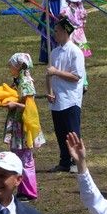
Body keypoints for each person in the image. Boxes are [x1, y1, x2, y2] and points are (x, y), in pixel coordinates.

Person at [4, 52, 44, 202]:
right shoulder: (19, 80)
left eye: (11, 66)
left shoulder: (26, 82)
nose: (10, 68)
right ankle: (22, 190)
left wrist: (14, 104)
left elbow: (29, 104)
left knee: (25, 158)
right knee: (19, 156)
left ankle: (29, 191)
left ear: (19, 66)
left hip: (24, 125)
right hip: (19, 123)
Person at [47, 16, 85, 174]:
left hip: (70, 99)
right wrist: (48, 91)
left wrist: (56, 72)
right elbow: (48, 74)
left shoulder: (75, 52)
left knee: (72, 132)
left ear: (64, 32)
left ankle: (76, 161)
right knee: (60, 132)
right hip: (57, 99)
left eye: (57, 31)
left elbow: (76, 76)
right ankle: (64, 161)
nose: (54, 34)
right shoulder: (54, 52)